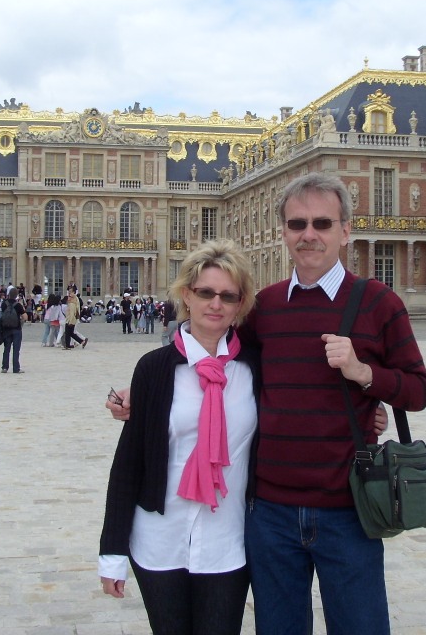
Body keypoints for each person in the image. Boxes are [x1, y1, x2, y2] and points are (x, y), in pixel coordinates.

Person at [109, 173, 426, 634]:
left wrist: (365, 374)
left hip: (348, 508)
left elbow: (418, 390)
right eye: (297, 224)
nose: (309, 234)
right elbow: (211, 351)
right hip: (270, 514)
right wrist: (145, 392)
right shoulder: (266, 307)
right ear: (284, 232)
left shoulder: (379, 303)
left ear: (345, 230)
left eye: (322, 223)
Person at [99, 240, 259, 635]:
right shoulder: (154, 369)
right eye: (205, 292)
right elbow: (129, 463)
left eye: (227, 295)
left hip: (227, 539)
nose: (215, 304)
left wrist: (368, 410)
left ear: (240, 304)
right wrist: (112, 552)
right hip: (160, 537)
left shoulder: (255, 366)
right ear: (186, 295)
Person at [0, 286, 26, 374]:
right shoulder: (18, 305)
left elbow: (2, 315)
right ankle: (16, 368)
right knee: (16, 349)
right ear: (16, 295)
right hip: (16, 329)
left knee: (6, 349)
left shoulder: (4, 304)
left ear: (9, 294)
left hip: (6, 329)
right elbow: (25, 317)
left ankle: (4, 367)